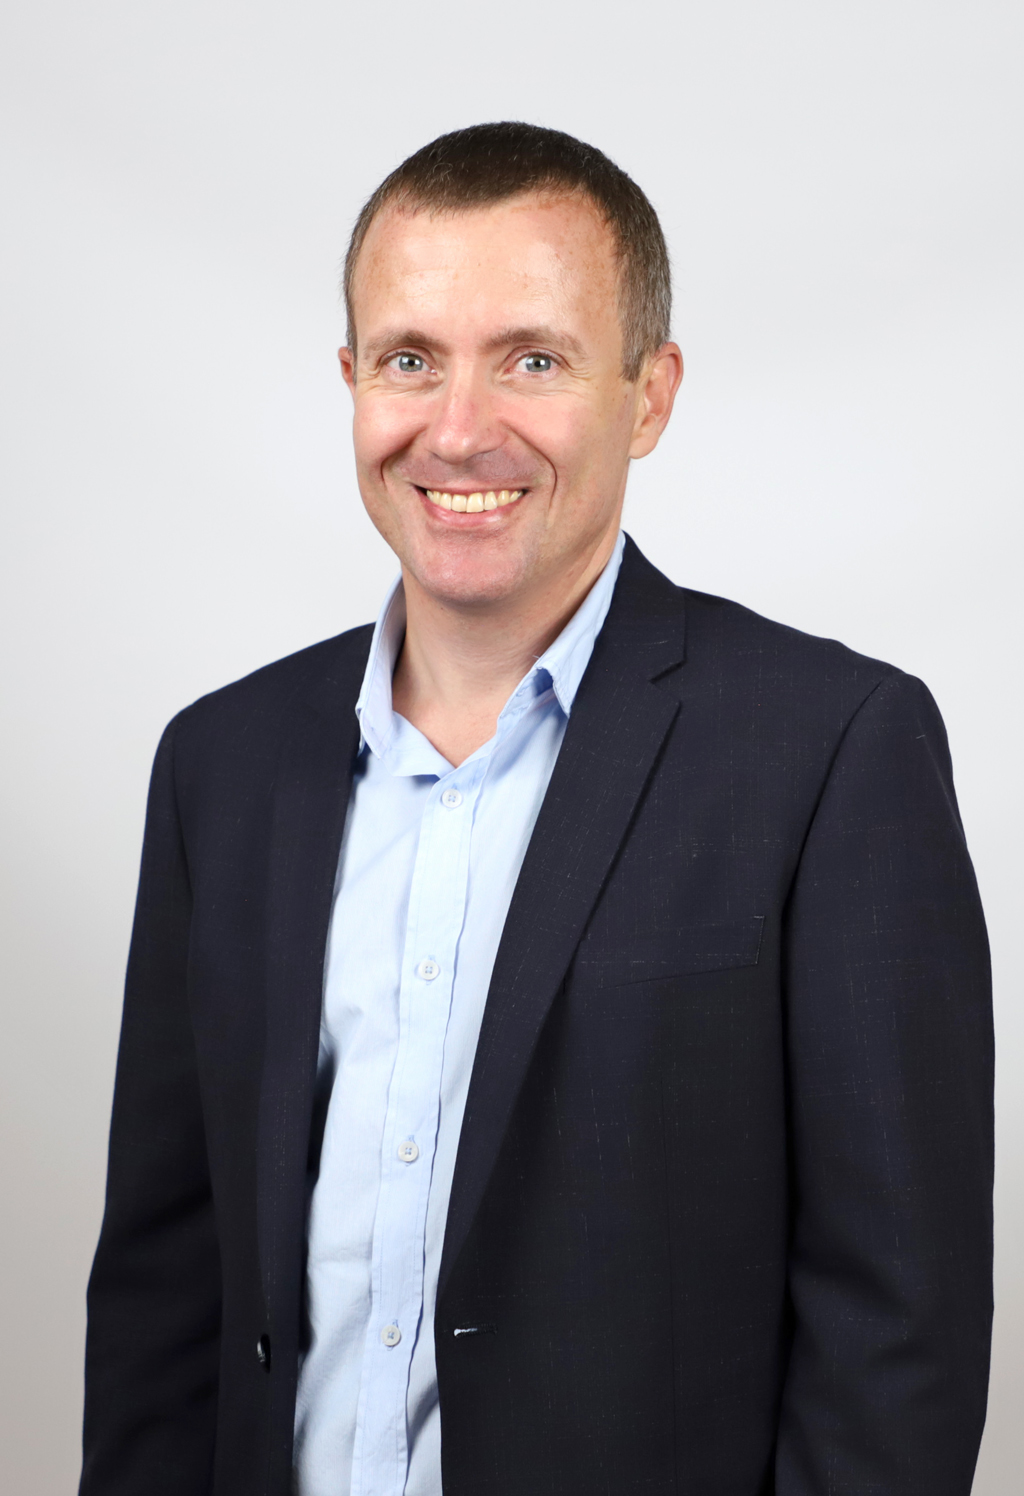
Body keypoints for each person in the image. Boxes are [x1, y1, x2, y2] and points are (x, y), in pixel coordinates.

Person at [79, 122, 993, 1496]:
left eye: (534, 360)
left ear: (650, 395)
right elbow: (164, 1289)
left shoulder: (833, 751)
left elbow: (899, 1329)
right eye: (410, 359)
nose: (457, 429)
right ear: (350, 380)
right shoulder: (220, 764)